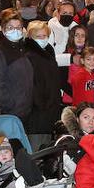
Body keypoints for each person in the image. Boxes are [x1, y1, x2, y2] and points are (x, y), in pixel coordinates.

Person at [23, 20, 63, 148]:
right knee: (38, 148)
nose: (42, 39)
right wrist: (43, 105)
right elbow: (32, 86)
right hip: (38, 113)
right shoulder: (29, 56)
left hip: (50, 111)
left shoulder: (48, 53)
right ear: (30, 37)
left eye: (44, 36)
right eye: (38, 36)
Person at [0, 10, 33, 120]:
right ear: (3, 30)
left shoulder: (22, 48)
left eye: (18, 27)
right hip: (11, 112)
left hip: (26, 109)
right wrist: (9, 105)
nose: (15, 31)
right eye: (10, 27)